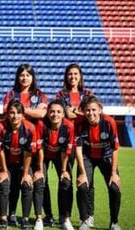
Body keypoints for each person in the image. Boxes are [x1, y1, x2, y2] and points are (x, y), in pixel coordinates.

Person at [46, 64, 93, 227]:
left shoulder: (87, 94)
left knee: (85, 177)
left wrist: (75, 111)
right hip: (65, 140)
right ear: (66, 76)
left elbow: (90, 113)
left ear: (80, 76)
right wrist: (77, 111)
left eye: (75, 74)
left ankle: (88, 214)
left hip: (84, 140)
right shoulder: (61, 94)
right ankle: (62, 216)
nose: (72, 77)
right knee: (65, 178)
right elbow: (63, 113)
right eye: (69, 74)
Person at [2, 64, 47, 226]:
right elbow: (7, 114)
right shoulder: (10, 94)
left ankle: (38, 217)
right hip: (12, 143)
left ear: (33, 77)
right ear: (17, 77)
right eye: (22, 75)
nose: (25, 78)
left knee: (36, 181)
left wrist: (20, 110)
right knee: (13, 183)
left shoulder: (39, 95)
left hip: (34, 143)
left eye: (28, 75)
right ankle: (12, 214)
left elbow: (42, 113)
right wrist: (30, 111)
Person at [75, 95, 121, 230]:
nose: (91, 113)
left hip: (106, 157)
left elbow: (115, 148)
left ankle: (114, 222)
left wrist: (114, 173)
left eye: (94, 110)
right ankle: (85, 220)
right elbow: (78, 149)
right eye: (87, 110)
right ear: (83, 111)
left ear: (100, 109)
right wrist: (82, 173)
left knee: (114, 187)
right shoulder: (80, 123)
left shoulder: (109, 122)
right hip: (87, 157)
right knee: (83, 186)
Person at [0, 99, 36, 229]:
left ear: (23, 115)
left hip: (23, 163)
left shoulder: (30, 128)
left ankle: (25, 219)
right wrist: (4, 171)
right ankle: (3, 219)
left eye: (18, 113)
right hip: (5, 162)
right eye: (12, 112)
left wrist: (25, 173)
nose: (15, 116)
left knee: (26, 184)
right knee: (4, 185)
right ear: (7, 114)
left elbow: (28, 153)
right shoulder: (0, 127)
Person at [40, 100, 75, 230]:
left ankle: (65, 218)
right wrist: (39, 169)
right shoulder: (41, 125)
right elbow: (40, 150)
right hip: (44, 155)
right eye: (52, 111)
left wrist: (64, 170)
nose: (55, 114)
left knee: (66, 182)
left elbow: (66, 151)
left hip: (61, 155)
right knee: (41, 182)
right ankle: (48, 216)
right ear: (48, 113)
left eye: (59, 111)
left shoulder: (69, 126)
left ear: (63, 114)